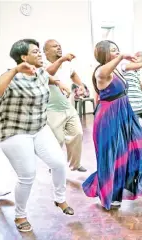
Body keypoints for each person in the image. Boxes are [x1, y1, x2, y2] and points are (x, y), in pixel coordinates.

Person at [0, 39, 74, 232]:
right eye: (36, 52)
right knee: (27, 175)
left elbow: (48, 75)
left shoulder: (40, 72)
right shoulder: (10, 76)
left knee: (58, 163)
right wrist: (15, 71)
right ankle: (20, 215)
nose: (40, 54)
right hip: (14, 131)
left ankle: (59, 199)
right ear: (24, 57)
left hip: (39, 128)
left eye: (40, 51)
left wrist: (61, 84)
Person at [82, 40, 142, 210]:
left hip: (123, 113)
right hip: (109, 116)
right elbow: (104, 72)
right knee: (114, 156)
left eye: (117, 49)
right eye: (112, 50)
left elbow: (129, 68)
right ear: (103, 54)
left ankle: (125, 185)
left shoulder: (117, 70)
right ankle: (112, 194)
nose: (117, 52)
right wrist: (121, 56)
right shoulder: (101, 71)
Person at [43, 39, 86, 172]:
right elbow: (48, 74)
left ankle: (75, 164)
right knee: (58, 140)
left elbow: (73, 74)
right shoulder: (41, 64)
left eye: (60, 46)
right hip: (51, 109)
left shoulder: (67, 65)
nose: (59, 48)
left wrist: (81, 85)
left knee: (77, 133)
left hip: (68, 107)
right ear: (46, 51)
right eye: (55, 46)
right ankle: (54, 165)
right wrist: (62, 60)